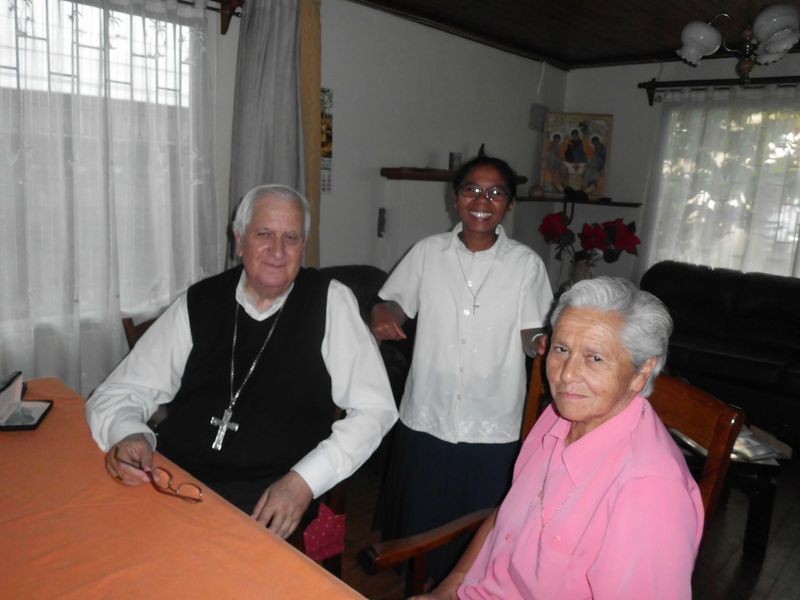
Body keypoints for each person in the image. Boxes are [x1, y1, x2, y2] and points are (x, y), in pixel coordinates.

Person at [86, 184, 398, 540]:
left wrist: (304, 481)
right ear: (239, 240)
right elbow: (120, 391)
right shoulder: (201, 300)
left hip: (267, 498)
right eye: (264, 234)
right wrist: (130, 435)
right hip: (173, 477)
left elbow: (375, 409)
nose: (277, 251)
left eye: (291, 238)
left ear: (303, 245)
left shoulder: (330, 301)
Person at [417, 277, 704, 600]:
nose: (566, 374)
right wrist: (449, 588)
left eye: (594, 358)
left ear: (642, 372)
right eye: (561, 349)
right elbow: (506, 516)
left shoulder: (649, 491)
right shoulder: (560, 416)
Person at [371, 155, 554, 582]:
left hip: (494, 422)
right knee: (421, 523)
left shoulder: (526, 264)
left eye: (496, 192)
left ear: (510, 204)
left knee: (482, 531)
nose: (482, 200)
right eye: (471, 189)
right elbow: (394, 302)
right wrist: (382, 313)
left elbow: (532, 331)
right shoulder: (427, 253)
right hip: (428, 414)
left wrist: (541, 344)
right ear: (455, 198)